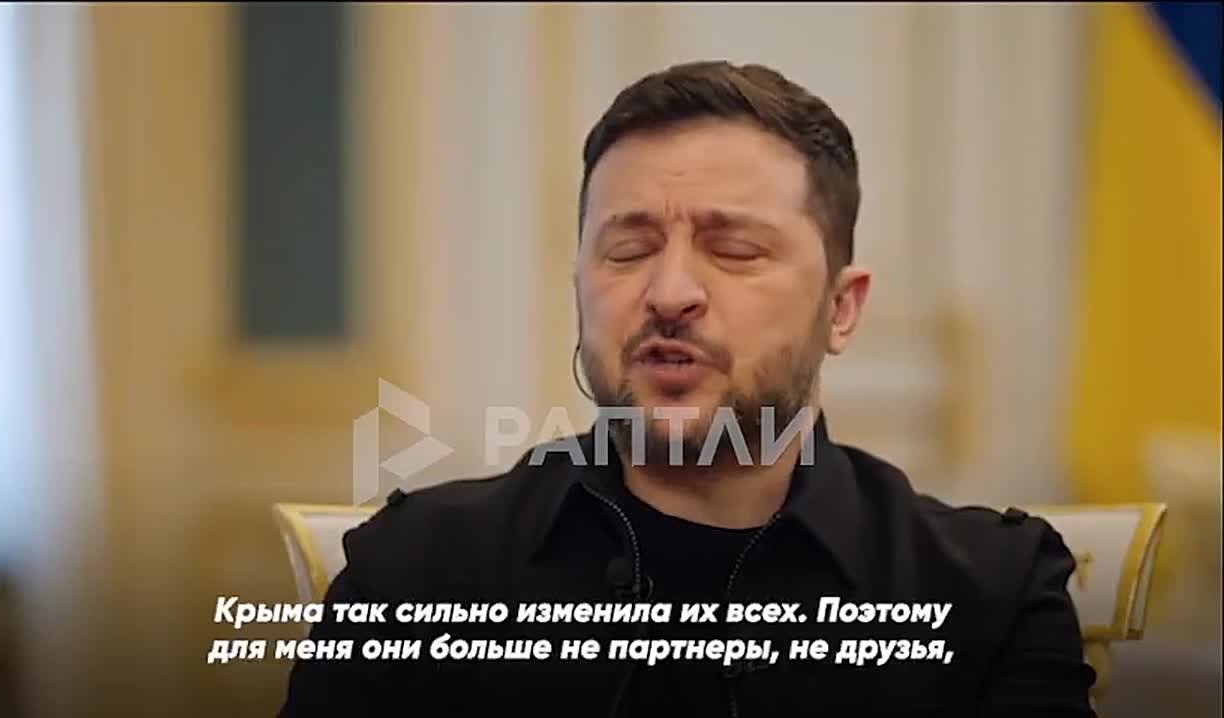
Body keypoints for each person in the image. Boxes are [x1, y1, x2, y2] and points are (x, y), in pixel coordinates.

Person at [279, 60, 1096, 717]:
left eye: (734, 250)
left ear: (841, 309)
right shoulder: (418, 570)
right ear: (579, 288)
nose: (670, 293)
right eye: (628, 251)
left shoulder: (989, 592)